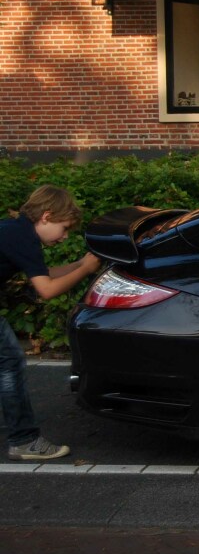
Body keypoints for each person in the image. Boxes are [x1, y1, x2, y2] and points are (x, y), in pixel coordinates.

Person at [1, 186, 100, 461]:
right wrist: (84, 270)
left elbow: (43, 274)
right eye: (64, 227)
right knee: (9, 362)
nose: (65, 236)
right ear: (46, 216)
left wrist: (80, 263)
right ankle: (24, 439)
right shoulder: (23, 237)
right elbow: (46, 289)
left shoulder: (15, 230)